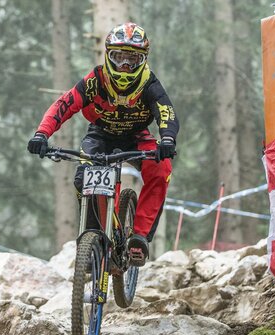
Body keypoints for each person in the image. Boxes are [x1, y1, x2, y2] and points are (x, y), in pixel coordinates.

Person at [27, 22, 179, 265]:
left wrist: (167, 139)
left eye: (132, 59)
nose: (125, 66)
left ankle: (139, 236)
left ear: (143, 60)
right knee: (83, 178)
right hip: (100, 134)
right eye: (119, 58)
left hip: (137, 136)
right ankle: (95, 235)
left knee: (161, 169)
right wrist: (42, 134)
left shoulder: (149, 83)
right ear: (108, 56)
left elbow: (166, 113)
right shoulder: (96, 79)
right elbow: (65, 104)